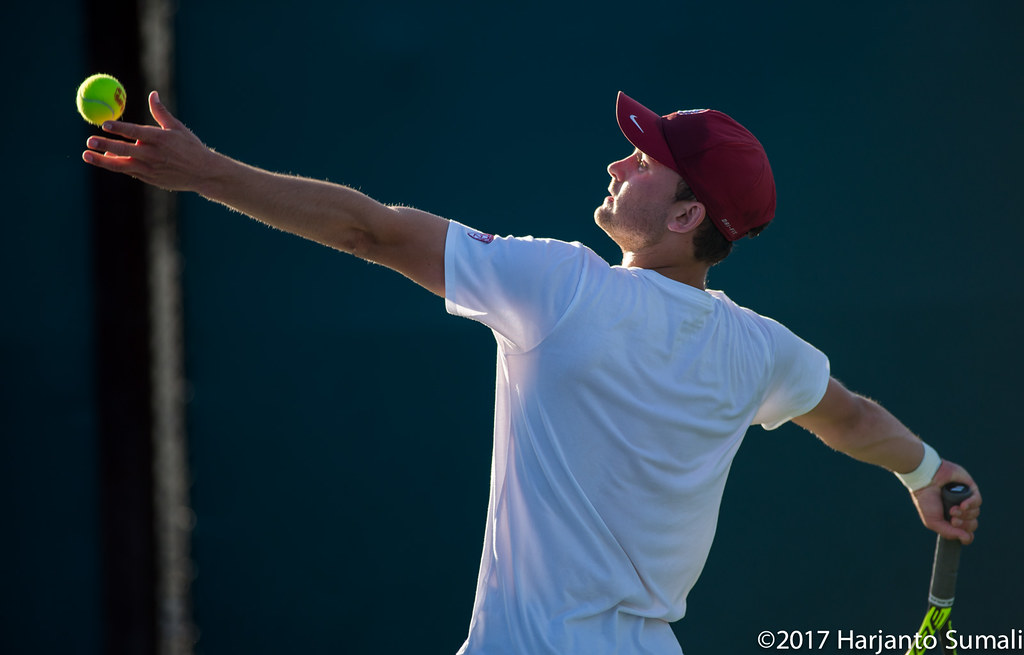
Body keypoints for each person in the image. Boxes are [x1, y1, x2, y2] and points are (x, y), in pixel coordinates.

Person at [83, 90, 982, 655]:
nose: (617, 160)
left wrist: (205, 173)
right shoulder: (759, 349)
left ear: (687, 214)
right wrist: (927, 470)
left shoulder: (561, 287)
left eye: (645, 159)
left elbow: (371, 228)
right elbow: (852, 415)